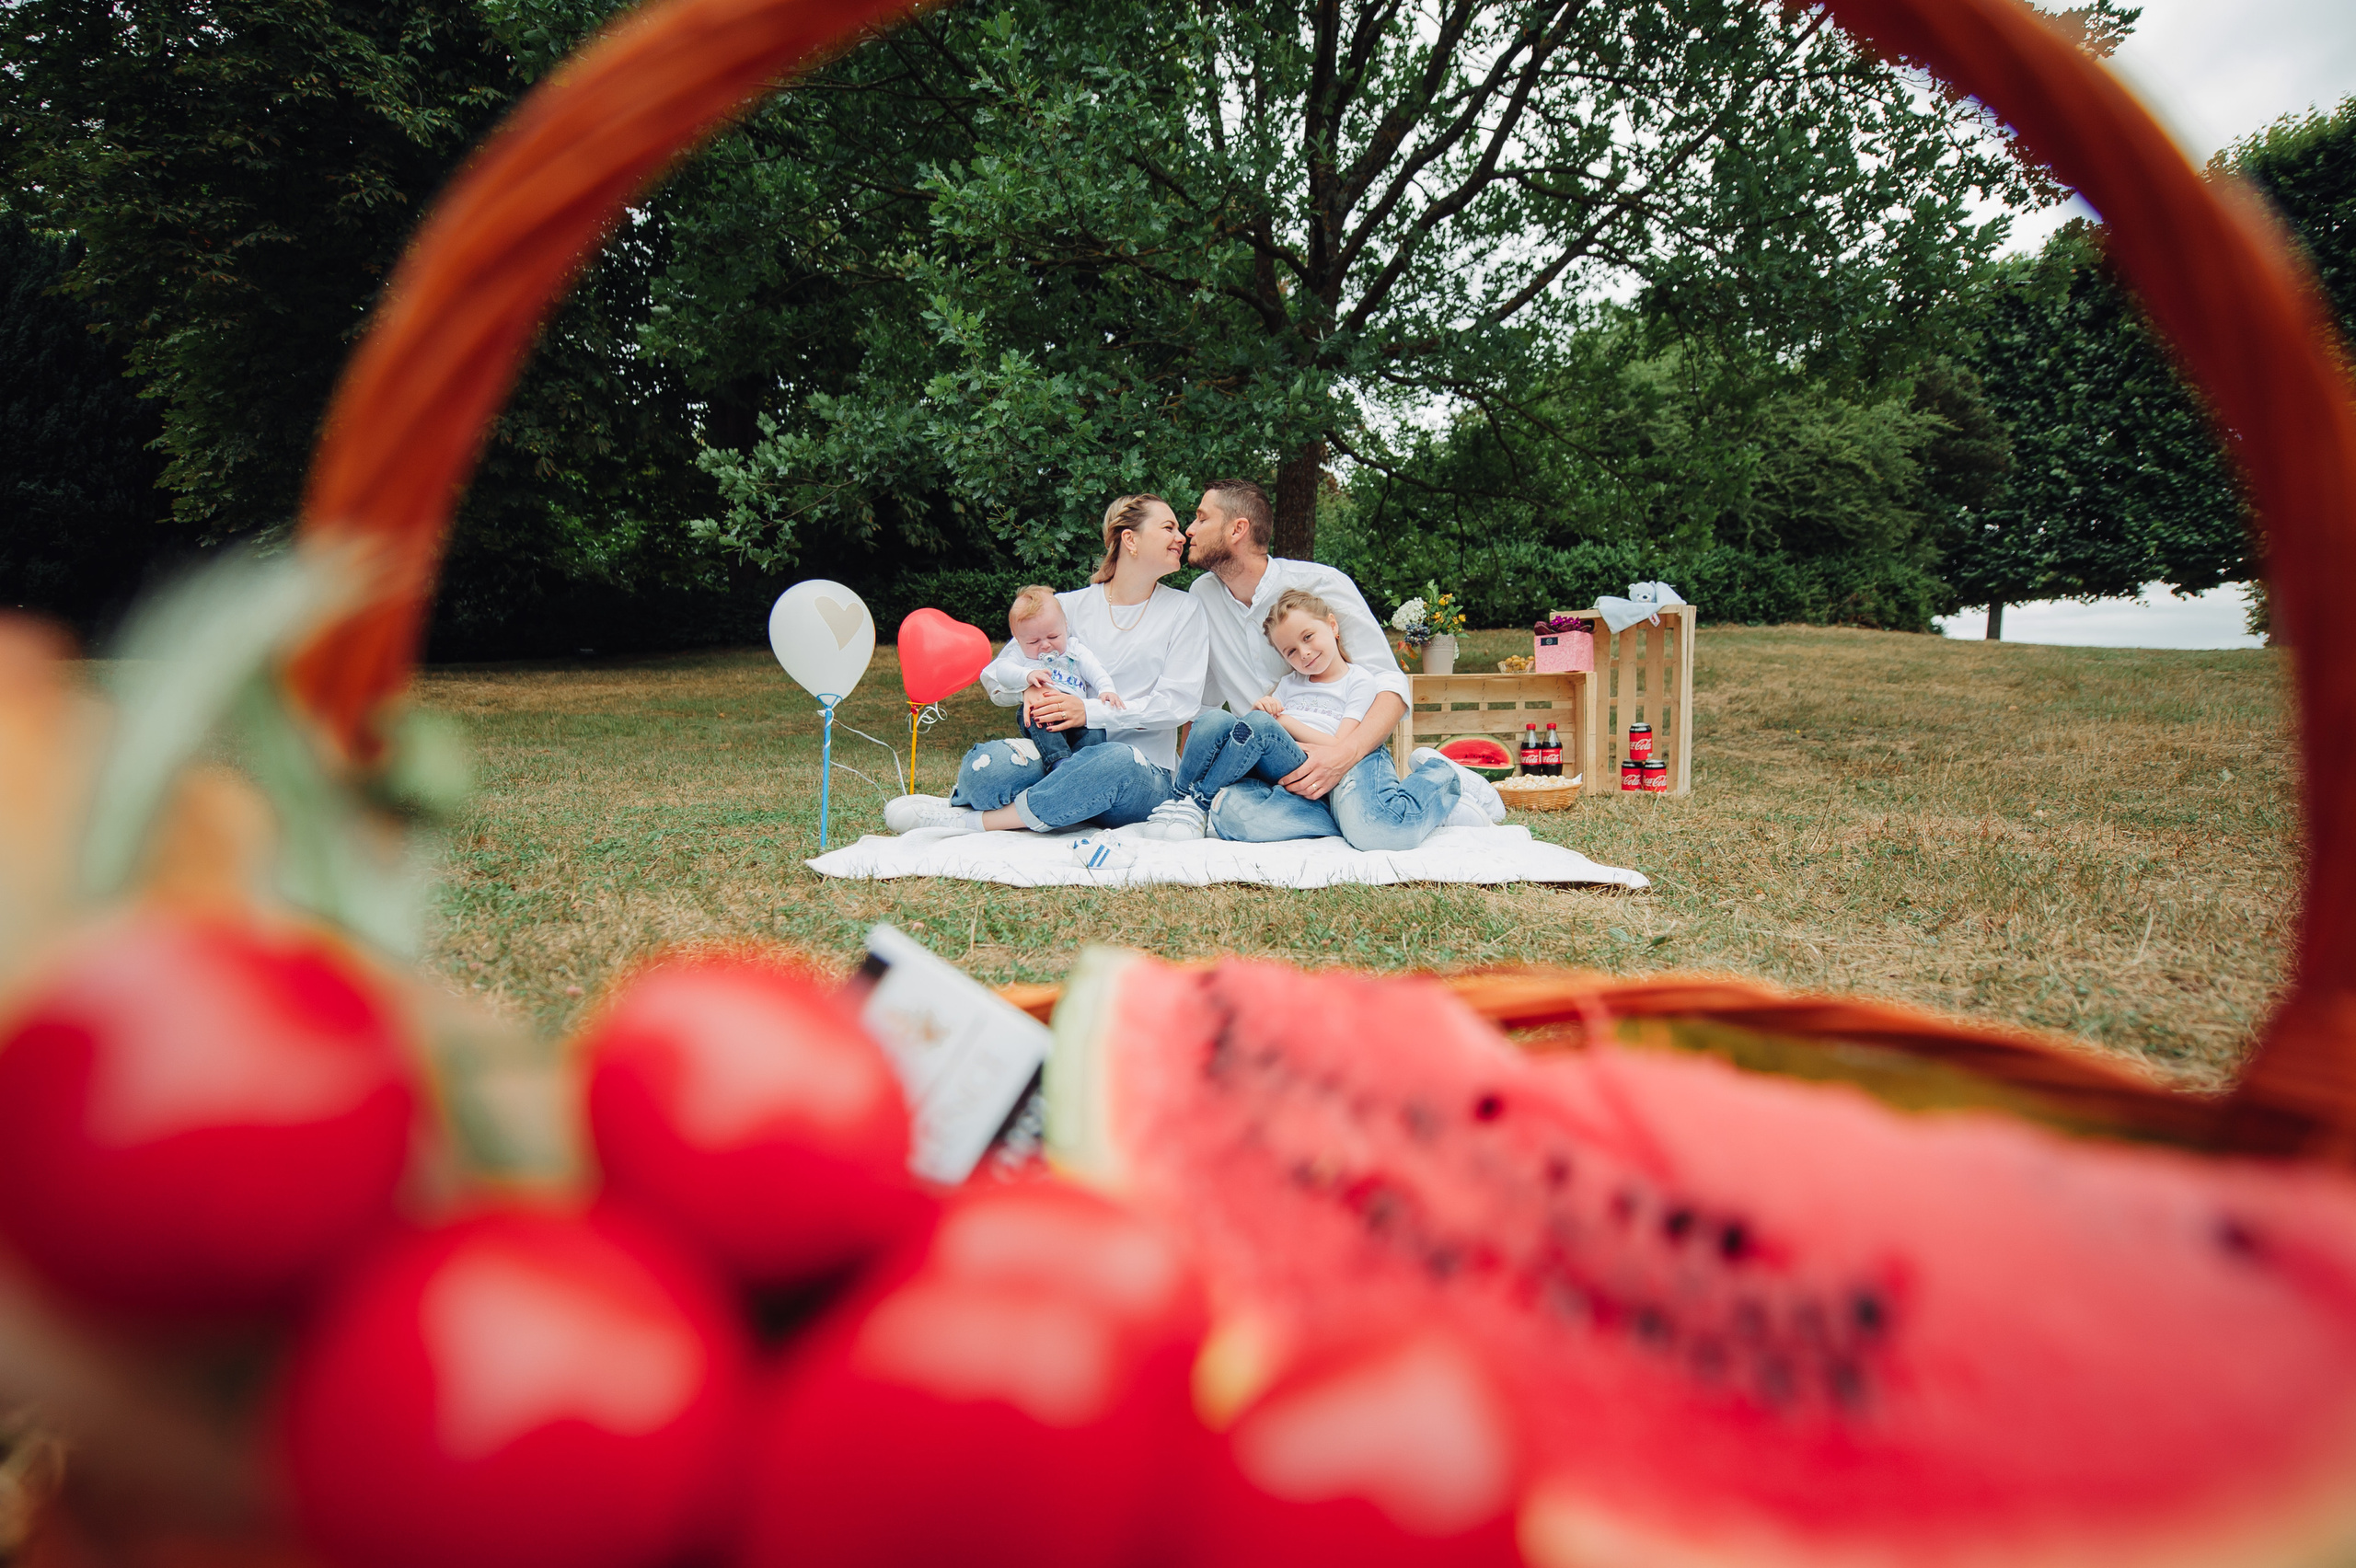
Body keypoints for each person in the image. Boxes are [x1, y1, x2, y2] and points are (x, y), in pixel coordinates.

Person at [883, 495, 1207, 836]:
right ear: (1130, 539)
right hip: (1059, 755)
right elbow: (995, 676)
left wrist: (1088, 712)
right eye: (1168, 527)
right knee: (989, 770)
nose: (1182, 535)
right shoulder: (1066, 606)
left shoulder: (1185, 609)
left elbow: (1178, 705)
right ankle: (1062, 802)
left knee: (1113, 761)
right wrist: (1026, 686)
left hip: (1140, 770)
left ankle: (974, 822)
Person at [1137, 478, 1414, 839]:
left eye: (1201, 519)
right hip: (1261, 757)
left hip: (1348, 747)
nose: (1189, 530)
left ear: (1237, 529)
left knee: (1374, 830)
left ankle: (1436, 786)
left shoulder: (1323, 584)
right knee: (1232, 818)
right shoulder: (1201, 595)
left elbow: (1389, 683)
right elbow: (1202, 705)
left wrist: (1344, 754)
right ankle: (1333, 819)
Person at [1140, 589, 1461, 848]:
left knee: (1265, 727)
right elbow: (1255, 728)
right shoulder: (1290, 684)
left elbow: (1340, 745)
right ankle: (1179, 798)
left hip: (1332, 758)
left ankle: (1201, 800)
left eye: (1308, 637)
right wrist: (1264, 705)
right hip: (1288, 768)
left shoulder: (1358, 680)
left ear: (1332, 626)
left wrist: (1282, 720)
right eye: (1291, 652)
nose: (1303, 653)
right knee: (1214, 724)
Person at [987, 583, 1123, 773]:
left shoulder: (1074, 649)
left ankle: (1090, 764)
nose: (1045, 645)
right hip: (1043, 709)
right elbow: (1002, 671)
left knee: (1095, 729)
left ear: (1065, 627)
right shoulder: (1020, 654)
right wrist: (1026, 676)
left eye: (1053, 636)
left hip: (1077, 711)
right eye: (1034, 641)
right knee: (1040, 722)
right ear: (1018, 639)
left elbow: (1094, 669)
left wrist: (1107, 688)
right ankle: (1059, 762)